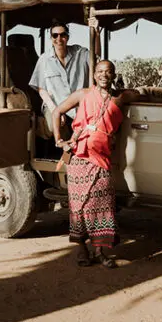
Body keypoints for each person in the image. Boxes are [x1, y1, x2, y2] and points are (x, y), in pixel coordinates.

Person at [52, 60, 141, 268]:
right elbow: (57, 111)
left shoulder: (119, 98)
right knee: (79, 207)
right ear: (94, 76)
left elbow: (138, 94)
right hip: (79, 159)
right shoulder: (83, 94)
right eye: (100, 71)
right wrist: (59, 140)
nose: (103, 75)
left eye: (108, 72)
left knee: (103, 206)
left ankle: (100, 252)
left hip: (101, 160)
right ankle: (82, 249)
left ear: (113, 75)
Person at [29, 20, 99, 140]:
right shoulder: (44, 59)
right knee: (54, 126)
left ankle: (74, 146)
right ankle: (39, 127)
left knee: (94, 125)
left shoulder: (80, 53)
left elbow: (96, 56)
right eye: (55, 35)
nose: (59, 38)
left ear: (67, 37)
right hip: (55, 104)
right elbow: (41, 89)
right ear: (51, 38)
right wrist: (55, 110)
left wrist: (96, 33)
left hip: (78, 105)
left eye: (63, 35)